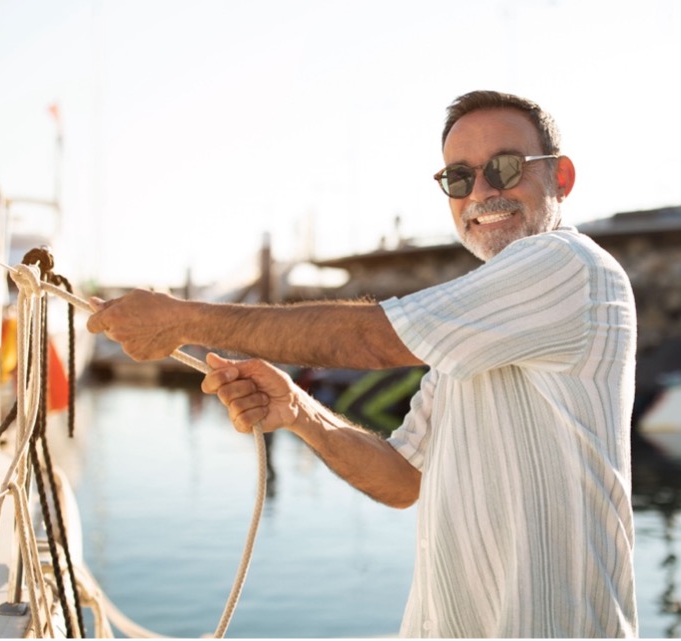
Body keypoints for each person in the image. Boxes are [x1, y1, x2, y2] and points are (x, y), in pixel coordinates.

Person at [87, 90, 639, 638]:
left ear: (560, 177)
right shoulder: (472, 331)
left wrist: (182, 319)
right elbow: (402, 480)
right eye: (459, 178)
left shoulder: (570, 266)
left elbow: (372, 340)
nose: (482, 192)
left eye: (505, 166)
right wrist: (300, 412)